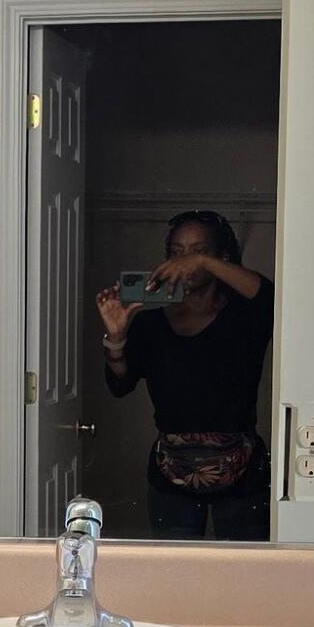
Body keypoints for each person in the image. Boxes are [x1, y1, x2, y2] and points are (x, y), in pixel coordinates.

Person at [94, 210, 273, 541]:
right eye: (177, 252)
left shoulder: (245, 317)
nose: (185, 261)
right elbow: (120, 382)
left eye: (198, 250)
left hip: (243, 471)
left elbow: (270, 296)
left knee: (243, 576)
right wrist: (116, 339)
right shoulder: (151, 324)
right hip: (169, 474)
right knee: (171, 574)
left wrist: (204, 263)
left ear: (221, 258)